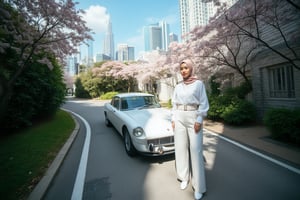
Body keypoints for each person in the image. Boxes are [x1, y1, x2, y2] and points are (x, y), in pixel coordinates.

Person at [171, 59, 209, 200]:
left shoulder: (198, 84)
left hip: (193, 116)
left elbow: (204, 103)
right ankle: (184, 177)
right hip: (179, 117)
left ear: (191, 68)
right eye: (181, 68)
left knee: (196, 150)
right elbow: (174, 103)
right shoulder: (178, 86)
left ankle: (199, 187)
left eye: (186, 68)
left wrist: (199, 119)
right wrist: (173, 118)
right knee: (180, 148)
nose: (183, 70)